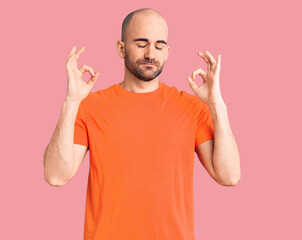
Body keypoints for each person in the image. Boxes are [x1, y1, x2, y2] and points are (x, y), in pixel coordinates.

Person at [43, 8, 240, 240]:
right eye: (141, 43)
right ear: (121, 48)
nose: (150, 54)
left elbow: (229, 176)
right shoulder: (90, 106)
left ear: (167, 52)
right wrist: (71, 102)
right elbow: (56, 176)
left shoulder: (192, 107)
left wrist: (216, 104)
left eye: (159, 46)